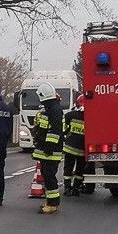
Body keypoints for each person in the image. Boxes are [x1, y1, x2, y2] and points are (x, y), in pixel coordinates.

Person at [31, 82, 64, 214]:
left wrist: (49, 148)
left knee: (49, 176)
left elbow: (54, 131)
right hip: (47, 150)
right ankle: (50, 202)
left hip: (51, 151)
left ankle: (53, 204)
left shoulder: (54, 110)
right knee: (47, 175)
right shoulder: (50, 109)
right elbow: (44, 129)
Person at [63, 96, 87, 196]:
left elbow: (64, 129)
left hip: (69, 149)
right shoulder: (91, 117)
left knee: (68, 169)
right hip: (82, 150)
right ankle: (76, 189)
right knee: (80, 170)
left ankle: (67, 188)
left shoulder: (69, 115)